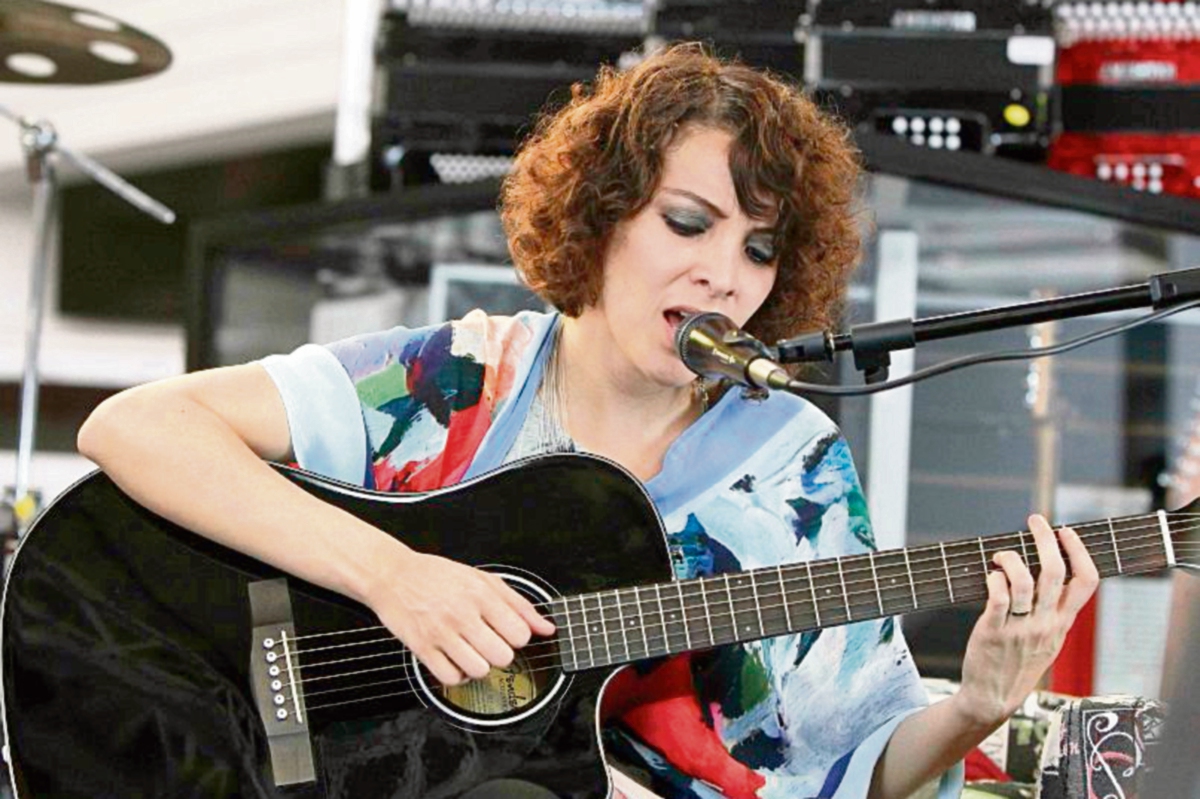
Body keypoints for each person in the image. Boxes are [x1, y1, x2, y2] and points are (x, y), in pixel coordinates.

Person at [77, 43, 1099, 799]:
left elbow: (860, 766)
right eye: (689, 223)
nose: (722, 274)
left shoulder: (794, 465)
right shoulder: (463, 379)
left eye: (760, 248)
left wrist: (976, 704)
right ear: (602, 214)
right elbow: (134, 428)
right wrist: (394, 577)